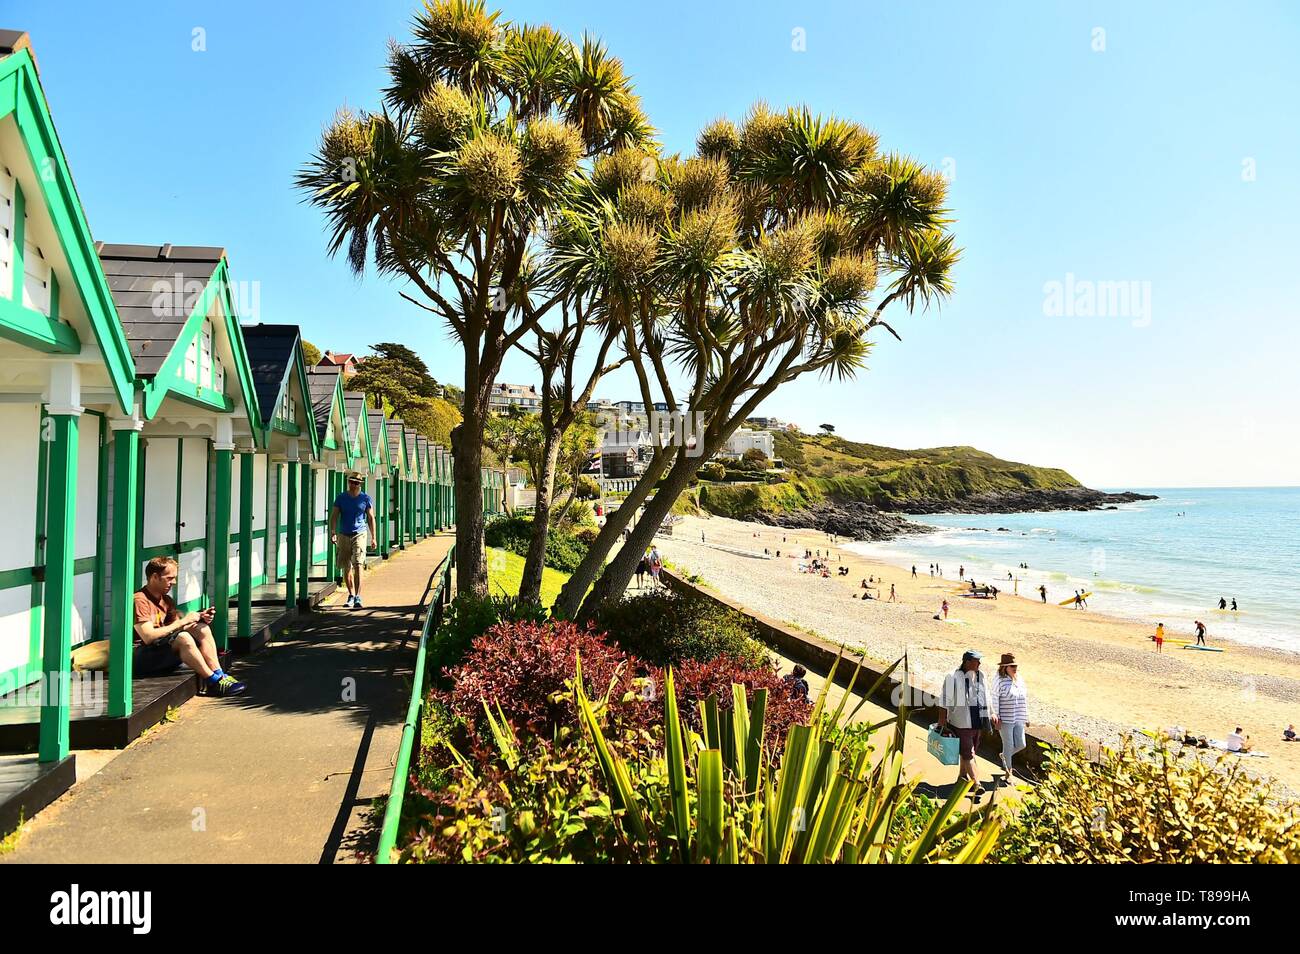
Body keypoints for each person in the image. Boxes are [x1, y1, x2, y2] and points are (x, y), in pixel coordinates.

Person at [133, 556, 245, 696]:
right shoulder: (139, 600)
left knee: (201, 629)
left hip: (160, 651)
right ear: (154, 577)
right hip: (140, 658)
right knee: (183, 638)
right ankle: (212, 682)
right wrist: (183, 621)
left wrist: (199, 618)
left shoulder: (166, 600)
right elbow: (148, 636)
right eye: (169, 578)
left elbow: (173, 629)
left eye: (174, 578)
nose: (173, 582)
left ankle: (219, 675)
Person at [938, 650, 991, 797]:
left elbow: (987, 695)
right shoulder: (952, 677)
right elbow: (944, 700)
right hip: (960, 722)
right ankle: (976, 783)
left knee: (969, 750)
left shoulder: (982, 676)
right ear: (967, 662)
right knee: (969, 754)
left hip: (978, 721)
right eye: (976, 661)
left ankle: (962, 777)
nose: (979, 664)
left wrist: (992, 714)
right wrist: (941, 721)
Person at [330, 472, 378, 609]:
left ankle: (358, 596)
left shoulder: (365, 499)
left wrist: (373, 537)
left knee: (358, 564)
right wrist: (333, 532)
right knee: (347, 565)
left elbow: (370, 518)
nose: (353, 485)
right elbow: (334, 516)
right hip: (344, 534)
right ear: (348, 482)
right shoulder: (341, 498)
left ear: (360, 484)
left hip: (359, 534)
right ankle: (350, 595)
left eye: (356, 483)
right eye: (351, 482)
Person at [990, 653, 1028, 778]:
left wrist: (1026, 716)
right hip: (1005, 718)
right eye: (1012, 666)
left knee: (1021, 744)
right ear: (1005, 667)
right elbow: (994, 697)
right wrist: (995, 714)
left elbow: (1024, 698)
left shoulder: (1019, 679)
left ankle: (1006, 755)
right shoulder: (999, 680)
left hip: (1018, 717)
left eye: (1016, 665)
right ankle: (1008, 772)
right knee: (1008, 744)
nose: (1015, 668)